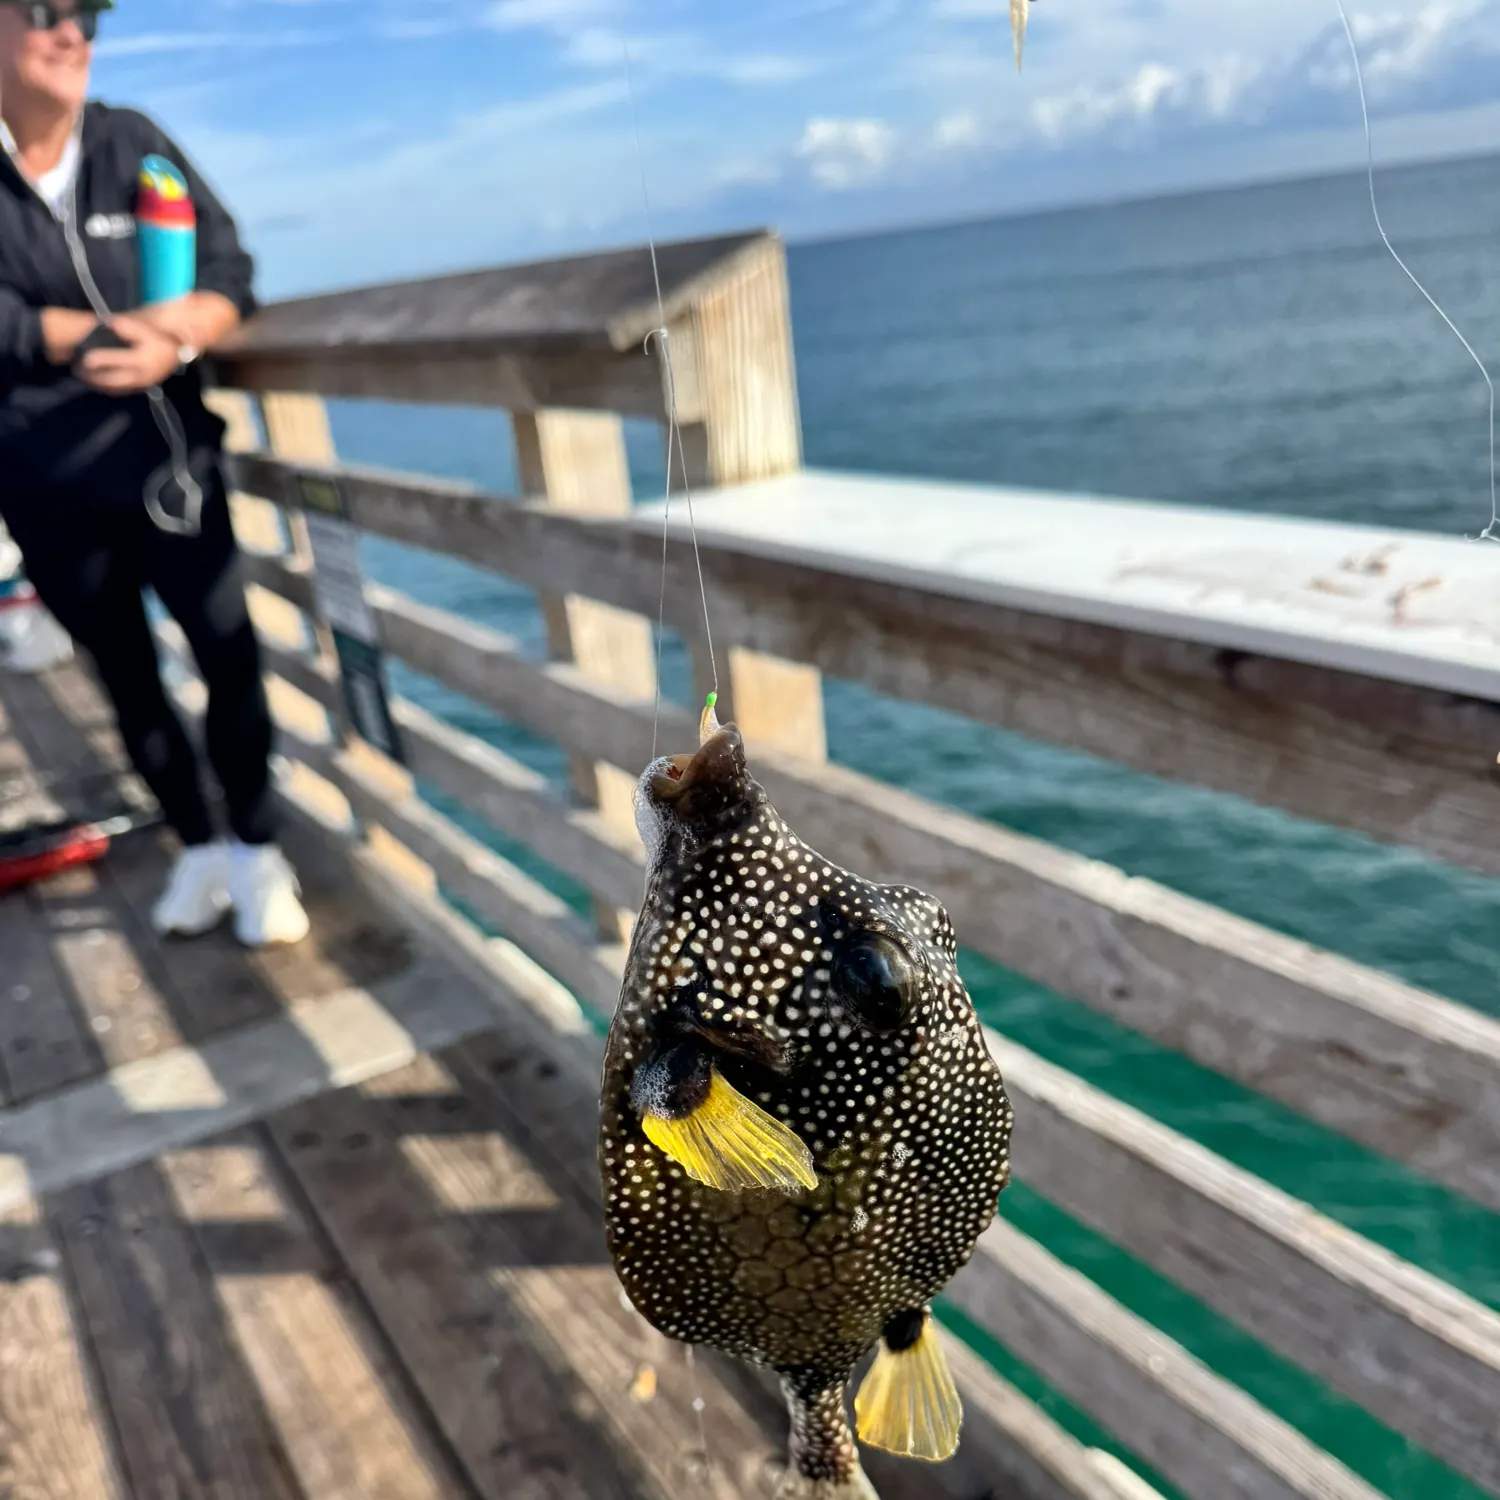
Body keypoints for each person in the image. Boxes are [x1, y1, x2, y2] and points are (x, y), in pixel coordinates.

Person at [0, 0, 309, 946]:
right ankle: (197, 844)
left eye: (89, 15)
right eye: (48, 10)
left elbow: (229, 265)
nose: (74, 34)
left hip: (170, 468)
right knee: (127, 680)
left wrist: (174, 336)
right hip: (43, 491)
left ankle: (257, 847)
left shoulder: (132, 141)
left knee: (228, 657)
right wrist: (91, 336)